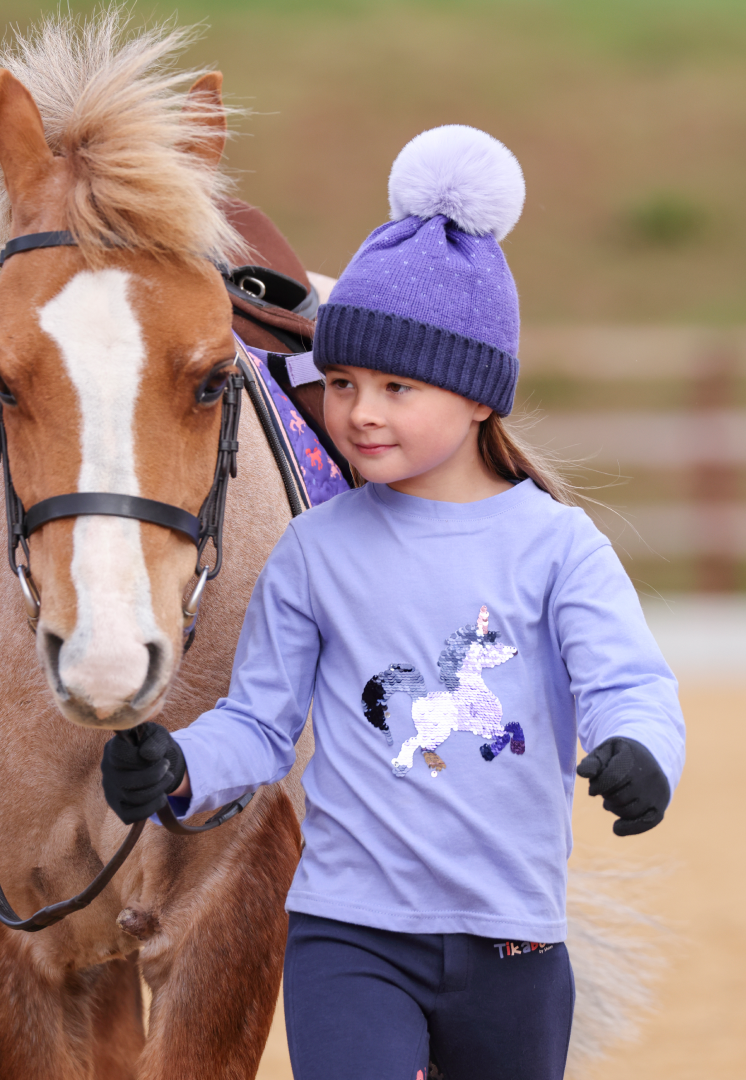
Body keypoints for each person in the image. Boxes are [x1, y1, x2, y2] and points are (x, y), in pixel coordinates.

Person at [100, 124, 686, 1080]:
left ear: (479, 398)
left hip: (514, 940)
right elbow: (257, 723)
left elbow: (630, 682)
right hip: (349, 934)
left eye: (396, 386)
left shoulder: (556, 546)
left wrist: (642, 751)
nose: (360, 411)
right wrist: (177, 769)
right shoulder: (315, 551)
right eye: (340, 383)